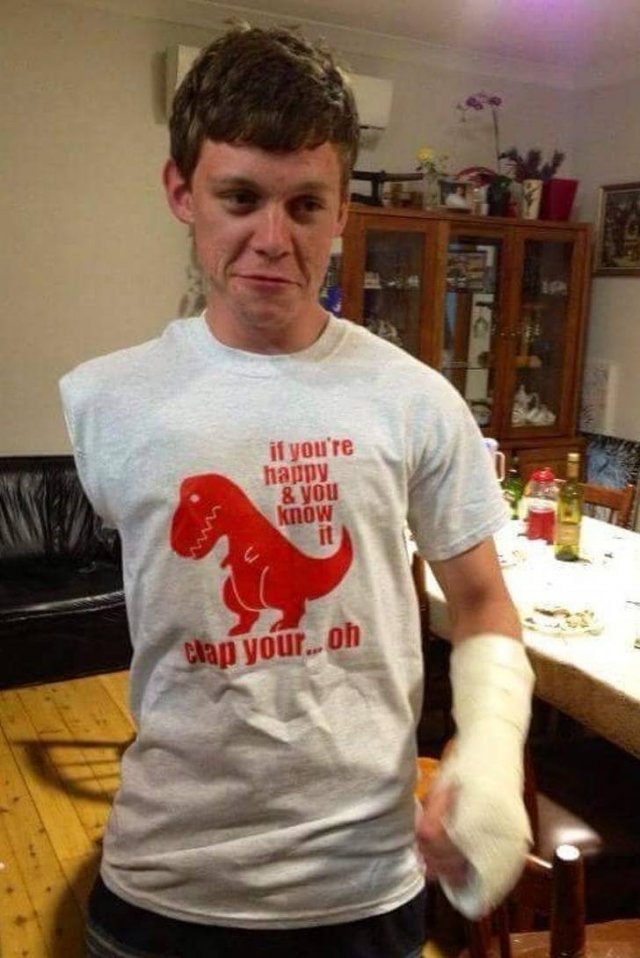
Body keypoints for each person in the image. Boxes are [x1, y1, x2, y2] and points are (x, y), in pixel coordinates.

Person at [60, 24, 534, 958]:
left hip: (362, 889)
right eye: (239, 197)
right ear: (180, 193)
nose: (272, 240)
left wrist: (489, 749)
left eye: (306, 204)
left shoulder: (416, 399)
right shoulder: (103, 399)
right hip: (164, 885)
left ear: (342, 212)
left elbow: (482, 605)